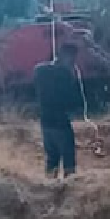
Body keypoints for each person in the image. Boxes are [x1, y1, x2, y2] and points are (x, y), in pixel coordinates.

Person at [33, 43, 83, 178]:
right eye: (72, 59)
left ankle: (50, 185)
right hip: (60, 123)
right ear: (66, 57)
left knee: (52, 158)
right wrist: (72, 76)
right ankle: (69, 185)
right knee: (68, 157)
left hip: (45, 122)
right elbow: (75, 100)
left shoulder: (40, 70)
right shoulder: (64, 74)